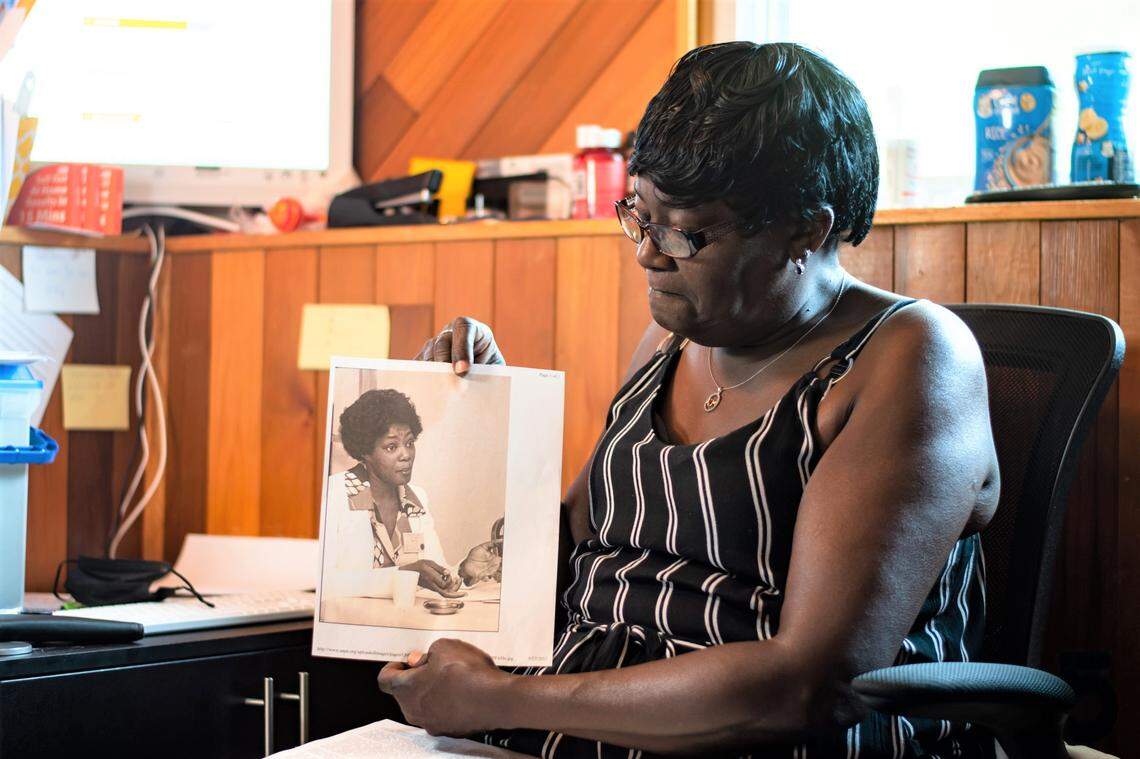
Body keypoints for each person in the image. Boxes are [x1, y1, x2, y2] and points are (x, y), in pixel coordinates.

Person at [378, 42, 1001, 757]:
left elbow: (809, 683)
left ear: (806, 228)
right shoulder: (671, 339)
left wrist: (498, 697)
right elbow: (579, 544)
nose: (648, 251)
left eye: (684, 229)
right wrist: (480, 413)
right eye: (638, 214)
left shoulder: (910, 358)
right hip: (557, 724)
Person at [324, 388, 464, 598]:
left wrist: (466, 571)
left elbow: (436, 571)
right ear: (365, 452)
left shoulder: (416, 499)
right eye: (391, 447)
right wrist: (402, 576)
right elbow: (325, 583)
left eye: (409, 443)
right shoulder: (334, 494)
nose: (406, 455)